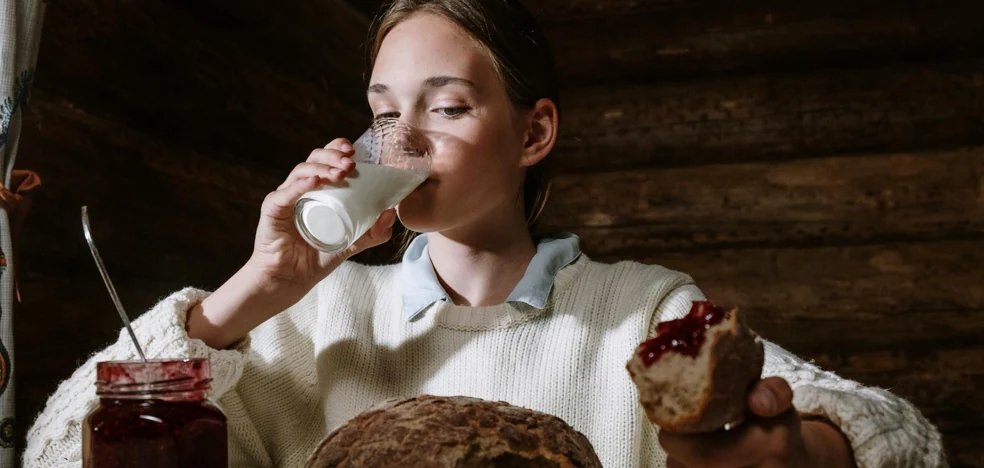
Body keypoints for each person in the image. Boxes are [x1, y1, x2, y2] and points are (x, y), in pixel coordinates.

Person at [26, 1, 945, 466]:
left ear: (534, 132)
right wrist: (251, 293)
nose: (405, 141)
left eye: (450, 106)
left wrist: (798, 453)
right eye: (383, 113)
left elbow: (904, 439)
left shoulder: (639, 309)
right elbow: (54, 450)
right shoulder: (315, 314)